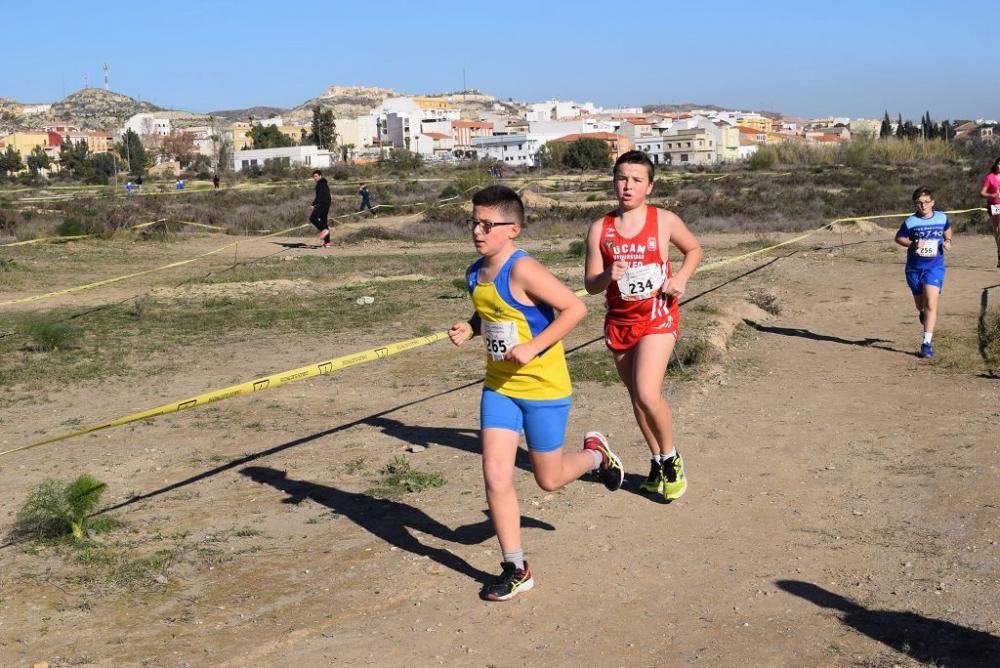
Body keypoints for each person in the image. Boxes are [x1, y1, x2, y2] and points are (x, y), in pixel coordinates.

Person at [448, 184, 624, 602]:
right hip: (500, 387)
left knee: (548, 479)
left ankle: (596, 456)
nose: (478, 230)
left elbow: (575, 309)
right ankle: (515, 566)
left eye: (488, 224)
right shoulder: (475, 272)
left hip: (544, 388)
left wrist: (532, 347)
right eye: (474, 222)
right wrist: (470, 328)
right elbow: (493, 311)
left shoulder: (524, 269)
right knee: (495, 473)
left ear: (514, 229)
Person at [584, 150, 703, 501]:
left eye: (636, 180)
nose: (627, 186)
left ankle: (671, 460)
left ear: (649, 186)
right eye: (622, 178)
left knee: (648, 391)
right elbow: (591, 284)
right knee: (637, 396)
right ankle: (655, 462)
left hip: (658, 317)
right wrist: (608, 275)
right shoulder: (600, 229)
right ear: (613, 182)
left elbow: (693, 250)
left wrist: (681, 277)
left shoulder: (664, 220)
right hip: (620, 321)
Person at [895, 186, 953, 358]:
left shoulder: (942, 217)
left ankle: (926, 343)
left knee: (931, 303)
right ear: (915, 205)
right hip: (914, 267)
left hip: (935, 266)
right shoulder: (910, 222)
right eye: (919, 203)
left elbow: (947, 229)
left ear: (932, 202)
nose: (923, 205)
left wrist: (948, 240)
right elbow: (899, 238)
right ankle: (922, 313)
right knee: (921, 305)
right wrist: (913, 244)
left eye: (926, 202)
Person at [979, 157, 1000, 268]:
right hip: (994, 205)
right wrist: (992, 195)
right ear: (996, 164)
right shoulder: (990, 177)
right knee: (997, 231)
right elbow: (982, 193)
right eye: (999, 164)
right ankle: (999, 253)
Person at [310, 169, 332, 247]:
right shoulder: (324, 183)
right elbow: (326, 195)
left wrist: (314, 204)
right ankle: (327, 242)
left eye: (316, 176)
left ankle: (323, 230)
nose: (314, 178)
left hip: (322, 204)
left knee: (313, 218)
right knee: (324, 221)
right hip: (327, 204)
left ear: (320, 176)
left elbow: (319, 196)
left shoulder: (320, 184)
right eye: (314, 177)